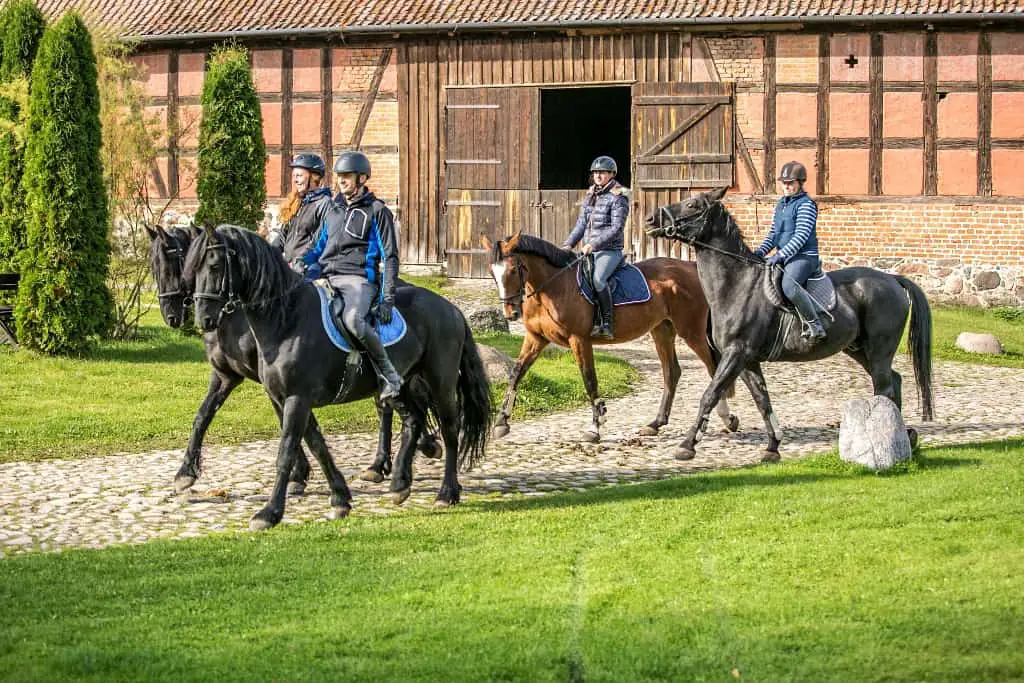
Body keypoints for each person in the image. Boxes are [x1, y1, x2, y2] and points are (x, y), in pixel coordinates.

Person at [296, 151, 402, 400]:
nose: (341, 180)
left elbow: (389, 257)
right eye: (339, 176)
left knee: (354, 320)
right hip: (324, 277)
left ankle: (389, 375)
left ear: (362, 178)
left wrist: (387, 299)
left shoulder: (377, 212)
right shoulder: (333, 210)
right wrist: (301, 261)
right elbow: (319, 246)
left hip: (357, 280)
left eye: (347, 176)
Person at [755, 160, 827, 342]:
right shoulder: (781, 204)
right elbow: (774, 234)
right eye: (784, 182)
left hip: (804, 257)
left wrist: (779, 255)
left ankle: (815, 324)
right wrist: (759, 252)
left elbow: (801, 236)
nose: (787, 186)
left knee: (789, 286)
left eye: (791, 183)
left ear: (799, 183)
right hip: (786, 256)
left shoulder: (806, 204)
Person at [562, 155, 630, 340]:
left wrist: (593, 244)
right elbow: (581, 223)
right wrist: (569, 244)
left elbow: (617, 228)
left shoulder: (619, 196)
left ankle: (607, 323)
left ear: (612, 174)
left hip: (609, 250)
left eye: (602, 172)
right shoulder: (591, 194)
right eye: (595, 172)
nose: (598, 175)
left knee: (598, 279)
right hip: (588, 249)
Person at [268, 154, 333, 263]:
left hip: (307, 268)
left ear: (314, 177)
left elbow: (320, 240)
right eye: (294, 176)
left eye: (299, 175)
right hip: (289, 267)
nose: (295, 180)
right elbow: (282, 236)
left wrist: (301, 262)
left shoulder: (324, 204)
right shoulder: (296, 202)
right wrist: (268, 252)